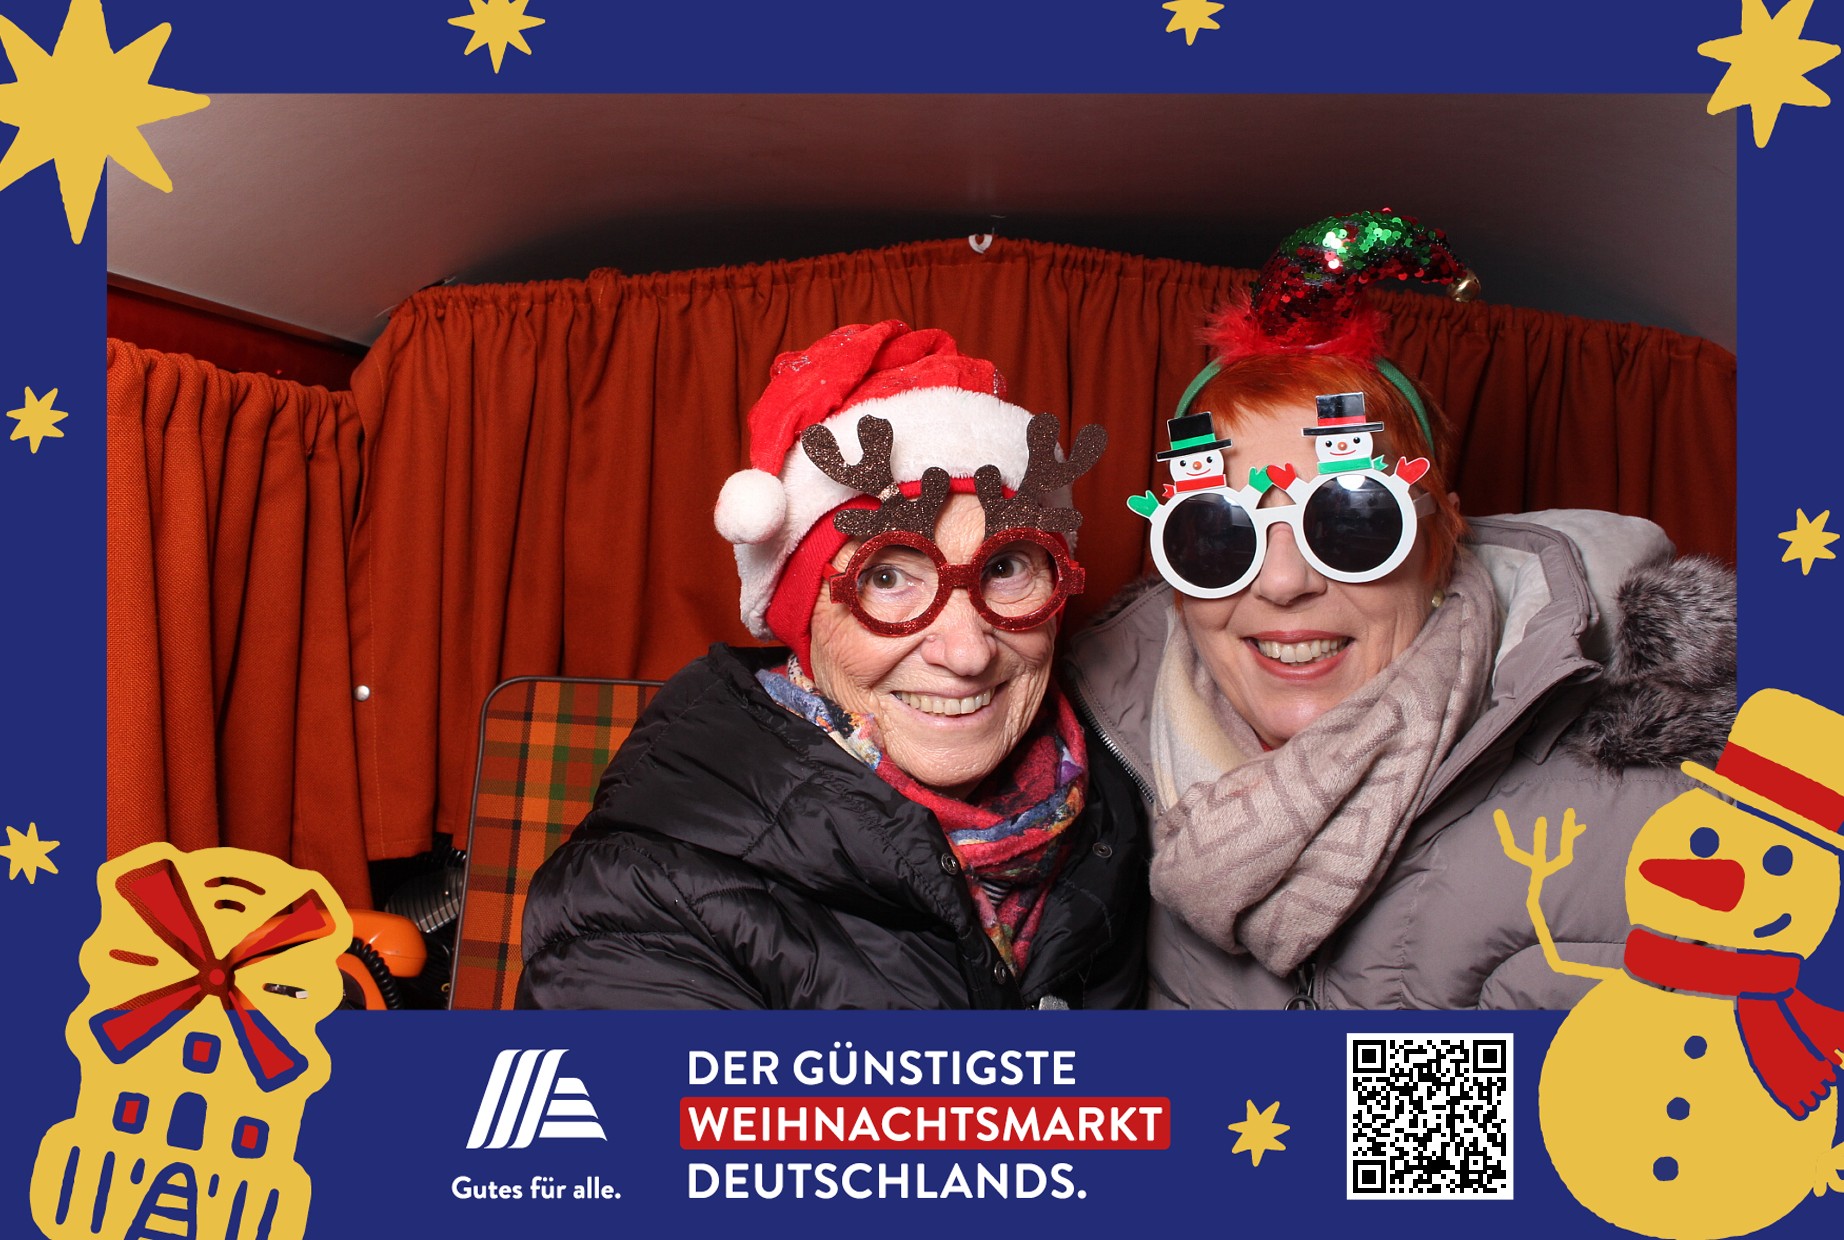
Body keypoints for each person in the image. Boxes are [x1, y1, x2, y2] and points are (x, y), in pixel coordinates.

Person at [1065, 210, 1736, 1010]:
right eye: (1215, 534)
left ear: (1441, 539)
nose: (1282, 583)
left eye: (1352, 521)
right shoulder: (1095, 787)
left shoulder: (1655, 827)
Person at [518, 320, 1146, 1008]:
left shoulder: (1112, 811)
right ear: (801, 620)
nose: (968, 653)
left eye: (1005, 568)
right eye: (887, 578)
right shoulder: (642, 904)